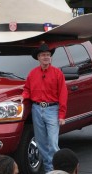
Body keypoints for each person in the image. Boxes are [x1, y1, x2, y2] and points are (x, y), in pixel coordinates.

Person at [22, 43, 68, 173]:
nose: (46, 57)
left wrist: (62, 115)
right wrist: (23, 97)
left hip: (52, 109)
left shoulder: (57, 73)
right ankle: (49, 171)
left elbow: (63, 94)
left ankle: (59, 170)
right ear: (38, 58)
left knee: (53, 143)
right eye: (43, 55)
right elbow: (27, 89)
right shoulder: (32, 74)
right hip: (36, 109)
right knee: (41, 144)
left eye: (48, 55)